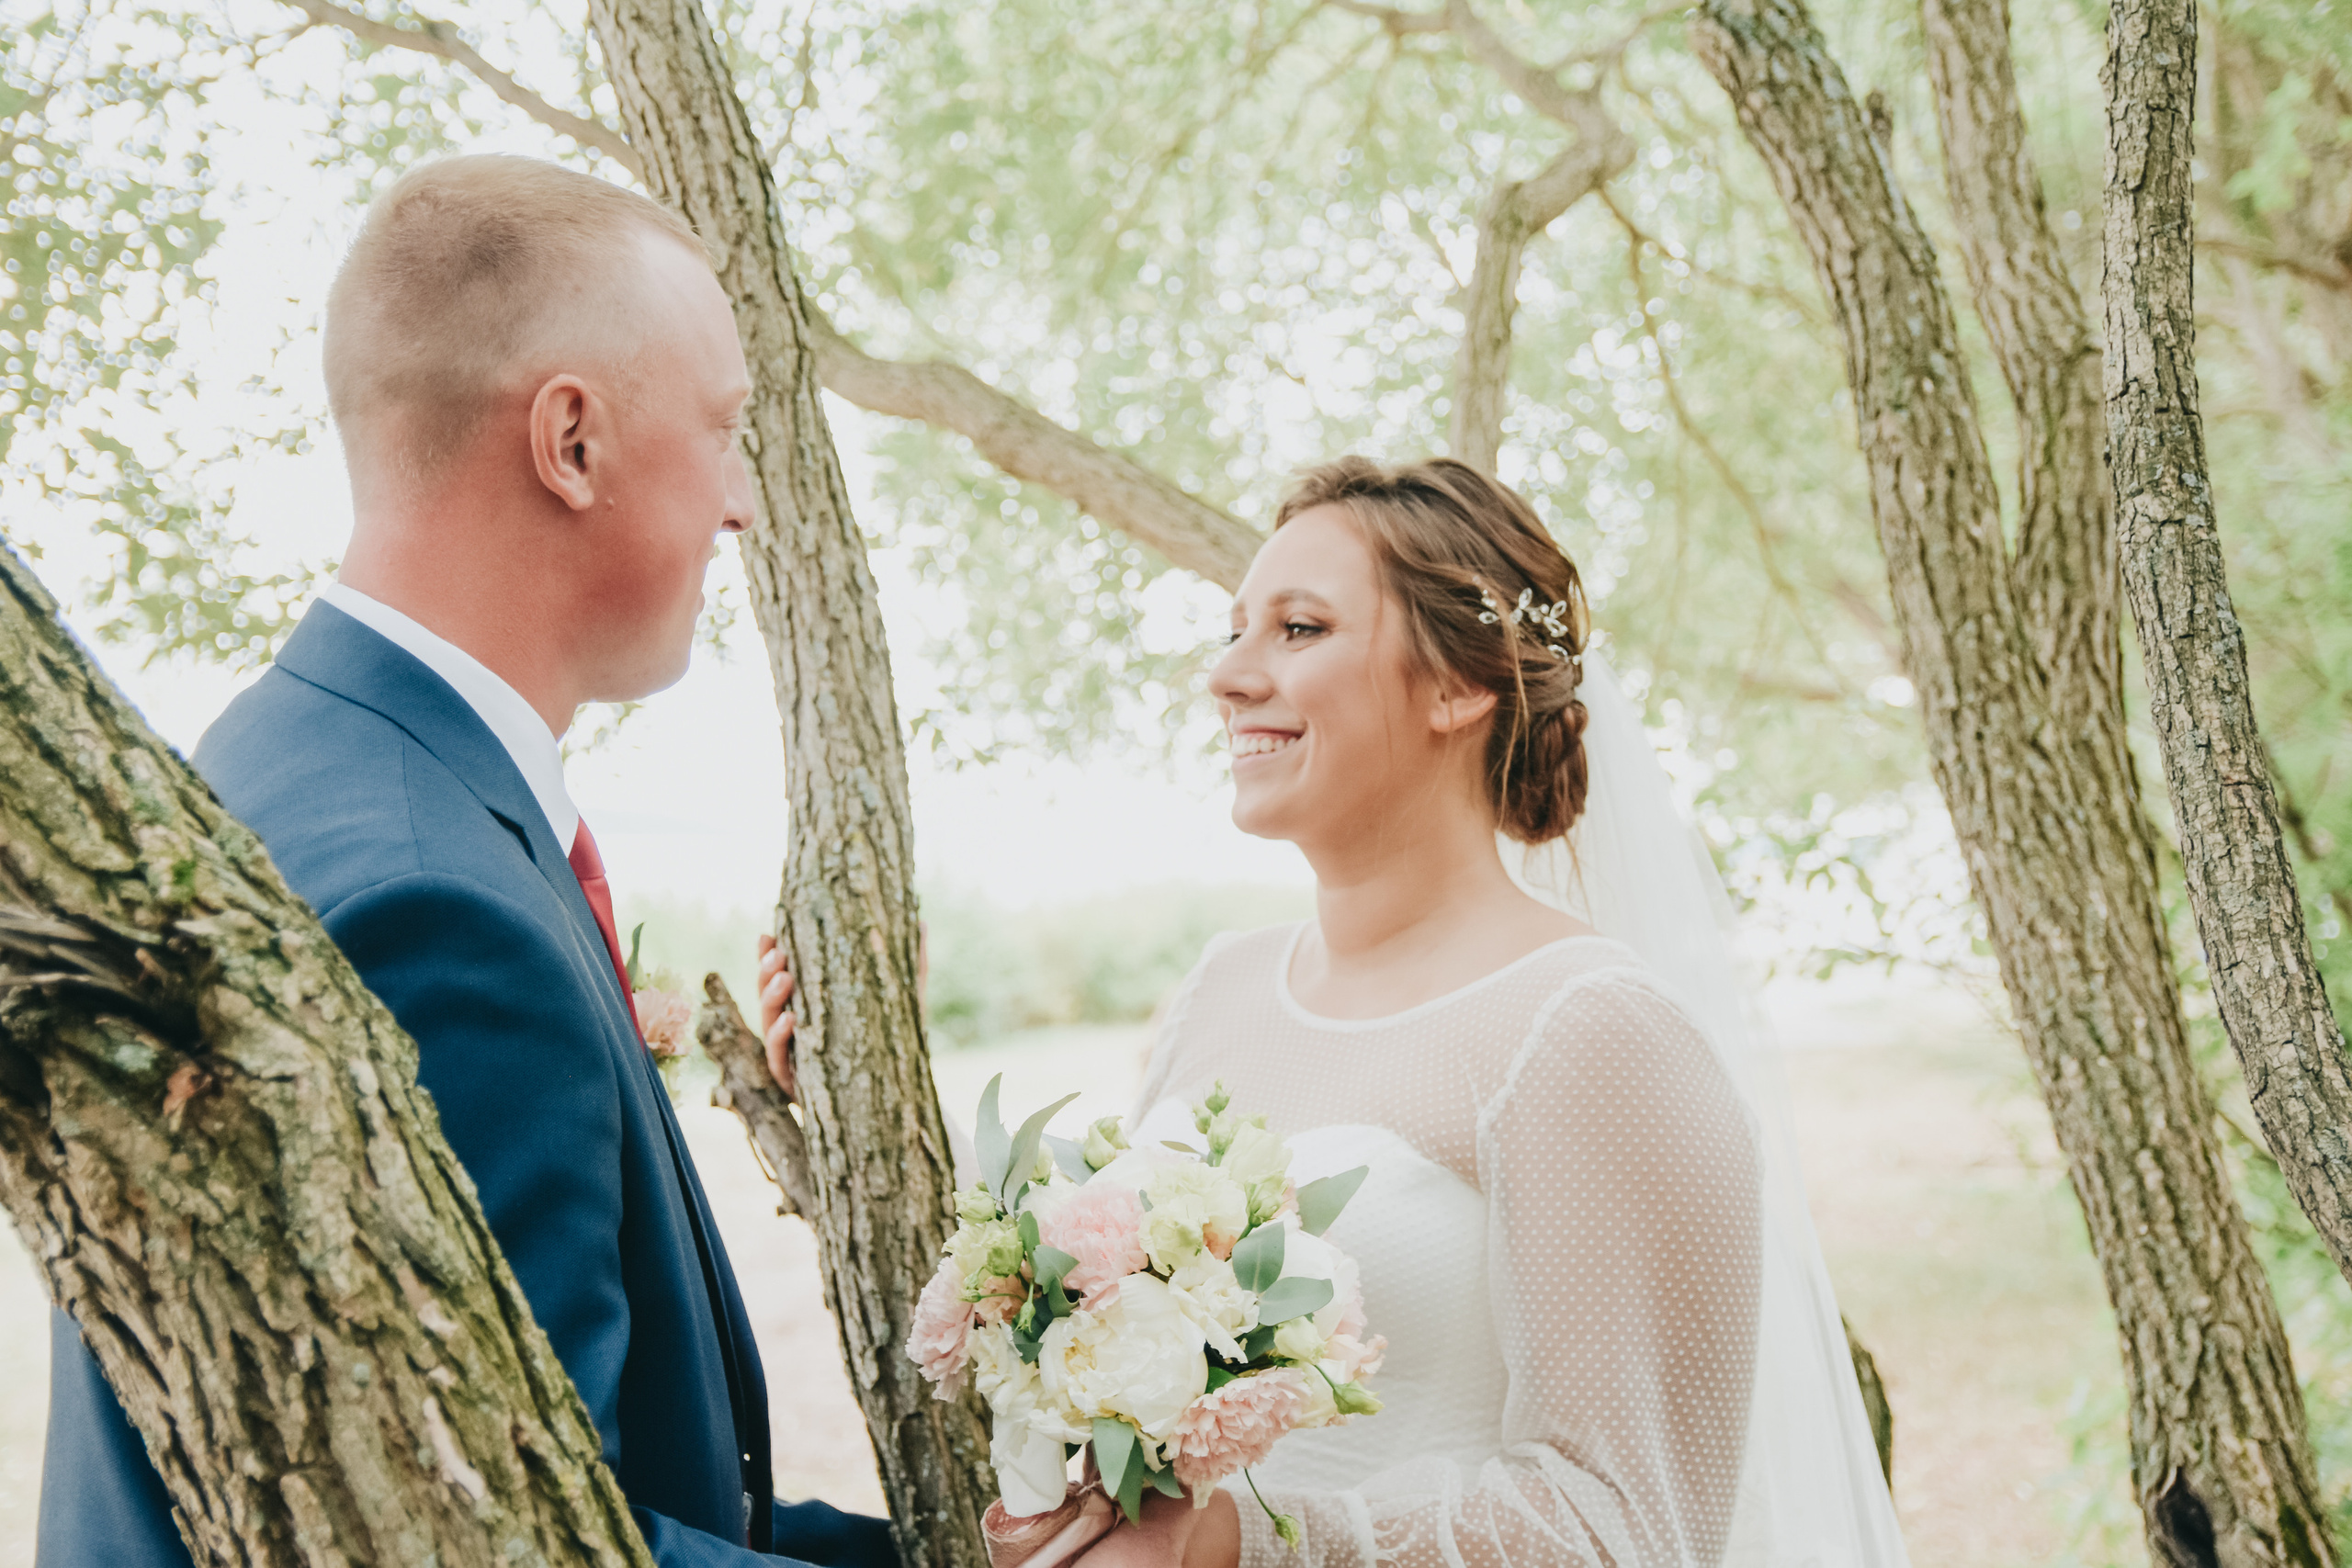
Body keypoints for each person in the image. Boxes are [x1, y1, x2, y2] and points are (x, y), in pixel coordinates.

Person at [36, 154, 896, 1568]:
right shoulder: (427, 901)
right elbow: (516, 1545)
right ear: (572, 441)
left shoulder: (287, 762)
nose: (744, 503)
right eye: (726, 428)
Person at [884, 457, 1907, 1568]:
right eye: (1236, 630)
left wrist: (1249, 1550)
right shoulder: (1221, 988)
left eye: (1299, 628)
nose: (1226, 675)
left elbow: (1629, 1523)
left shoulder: (1591, 1030)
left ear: (1458, 688)